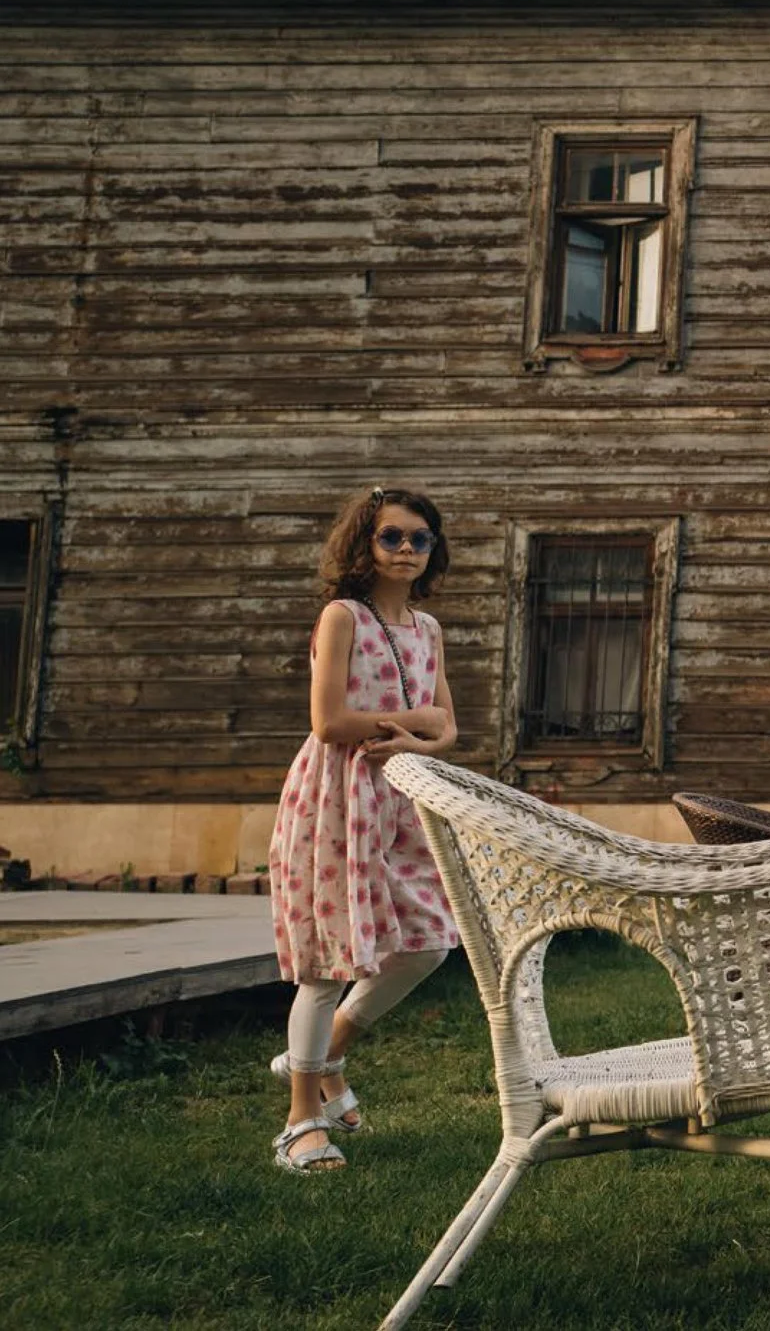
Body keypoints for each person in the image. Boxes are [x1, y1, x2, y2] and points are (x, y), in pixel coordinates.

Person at [266, 486, 463, 1173]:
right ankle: (301, 1119)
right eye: (392, 537)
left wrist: (429, 742)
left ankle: (331, 1051)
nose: (407, 550)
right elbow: (328, 723)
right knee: (330, 961)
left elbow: (450, 725)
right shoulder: (340, 617)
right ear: (364, 544)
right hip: (337, 794)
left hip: (404, 797)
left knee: (430, 943)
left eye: (420, 539)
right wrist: (417, 727)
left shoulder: (428, 629)